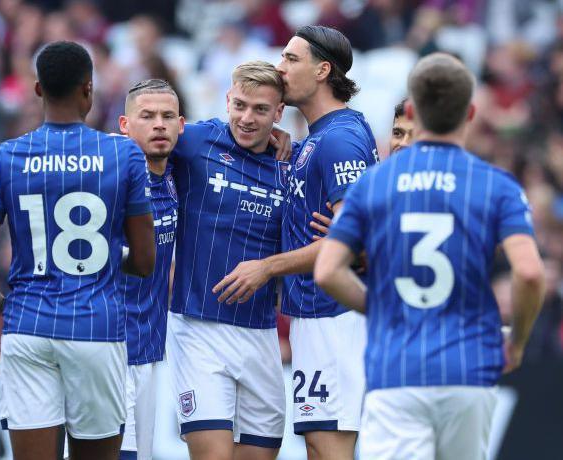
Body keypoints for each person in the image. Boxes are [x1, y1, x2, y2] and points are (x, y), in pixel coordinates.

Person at [315, 52, 545, 460]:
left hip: (397, 366)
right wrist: (518, 343)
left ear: (415, 110)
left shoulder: (374, 184)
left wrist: (382, 306)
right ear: (471, 112)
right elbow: (528, 273)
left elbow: (329, 270)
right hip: (470, 368)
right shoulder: (497, 184)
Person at [0, 41, 155, 460]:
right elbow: (144, 261)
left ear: (37, 90)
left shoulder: (5, 157)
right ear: (89, 89)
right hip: (95, 328)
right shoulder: (123, 155)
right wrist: (104, 260)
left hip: (27, 325)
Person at [212, 25, 378, 459]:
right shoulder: (317, 139)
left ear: (323, 70)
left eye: (290, 58)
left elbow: (352, 239)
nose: (280, 67)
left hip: (335, 316)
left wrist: (267, 267)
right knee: (320, 447)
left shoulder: (339, 140)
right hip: (316, 316)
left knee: (329, 448)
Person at [166, 61, 287, 460]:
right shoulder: (196, 141)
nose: (247, 118)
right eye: (240, 105)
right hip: (198, 329)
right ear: (227, 99)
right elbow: (137, 134)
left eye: (261, 110)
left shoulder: (292, 163)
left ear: (280, 113)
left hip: (261, 335)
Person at [117, 78, 182, 460]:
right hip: (110, 347)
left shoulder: (174, 176)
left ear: (181, 124)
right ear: (125, 125)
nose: (159, 124)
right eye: (147, 116)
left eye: (167, 116)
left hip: (149, 347)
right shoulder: (113, 180)